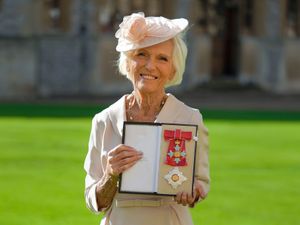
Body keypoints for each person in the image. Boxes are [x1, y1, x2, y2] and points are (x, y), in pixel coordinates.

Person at [84, 12, 210, 225]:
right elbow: (93, 200)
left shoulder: (191, 118)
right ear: (128, 61)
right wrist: (110, 174)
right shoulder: (103, 120)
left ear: (173, 69)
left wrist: (193, 192)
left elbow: (200, 183)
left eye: (162, 58)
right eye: (142, 54)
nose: (150, 66)